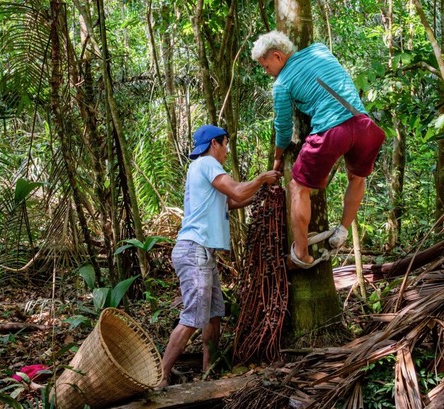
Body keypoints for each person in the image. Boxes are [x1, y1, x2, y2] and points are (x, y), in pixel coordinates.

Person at [157, 124, 281, 388]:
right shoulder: (208, 163)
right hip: (195, 250)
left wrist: (261, 191)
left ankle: (208, 371)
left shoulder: (200, 169)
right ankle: (161, 375)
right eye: (225, 144)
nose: (226, 150)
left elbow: (233, 202)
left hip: (201, 252)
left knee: (214, 313)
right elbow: (236, 191)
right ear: (215, 143)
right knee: (194, 317)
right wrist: (260, 179)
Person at [251, 30, 385, 269]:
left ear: (278, 56)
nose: (267, 72)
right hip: (364, 125)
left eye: (265, 65)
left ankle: (301, 253)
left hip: (331, 132)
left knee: (297, 187)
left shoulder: (281, 84)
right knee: (357, 177)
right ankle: (342, 231)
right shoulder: (320, 50)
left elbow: (283, 127)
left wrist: (278, 158)